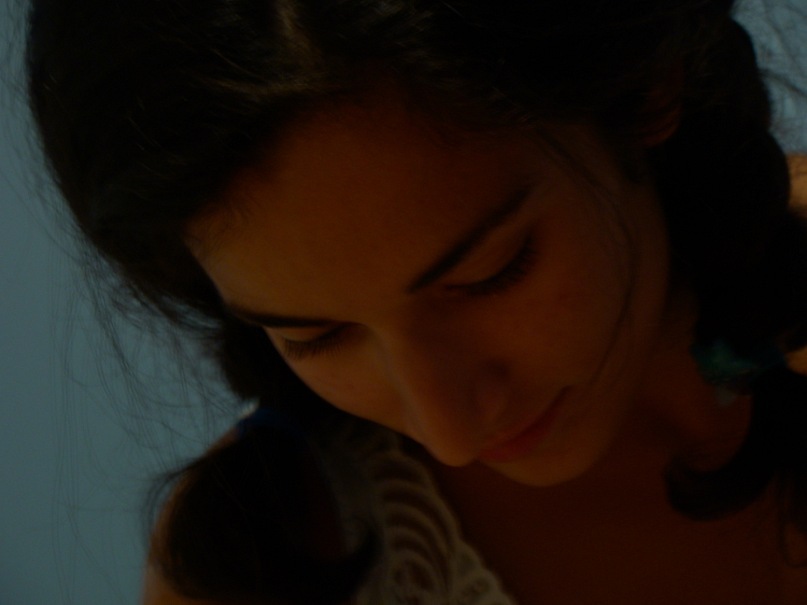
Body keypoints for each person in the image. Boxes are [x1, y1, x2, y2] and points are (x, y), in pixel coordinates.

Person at [25, 0, 807, 602]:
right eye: (316, 336)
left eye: (491, 273)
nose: (450, 428)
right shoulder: (257, 559)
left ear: (646, 91)